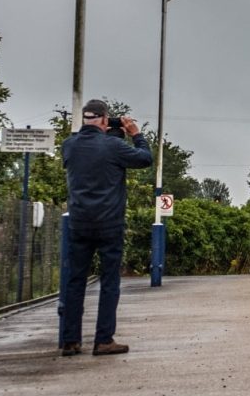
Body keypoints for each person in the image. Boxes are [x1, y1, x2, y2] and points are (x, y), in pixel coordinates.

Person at [60, 99, 152, 357]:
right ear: (103, 119)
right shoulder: (114, 146)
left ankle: (70, 340)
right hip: (109, 224)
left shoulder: (69, 146)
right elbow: (145, 159)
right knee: (109, 281)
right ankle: (103, 340)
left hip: (78, 223)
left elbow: (92, 152)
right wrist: (135, 134)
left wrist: (111, 133)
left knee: (75, 280)